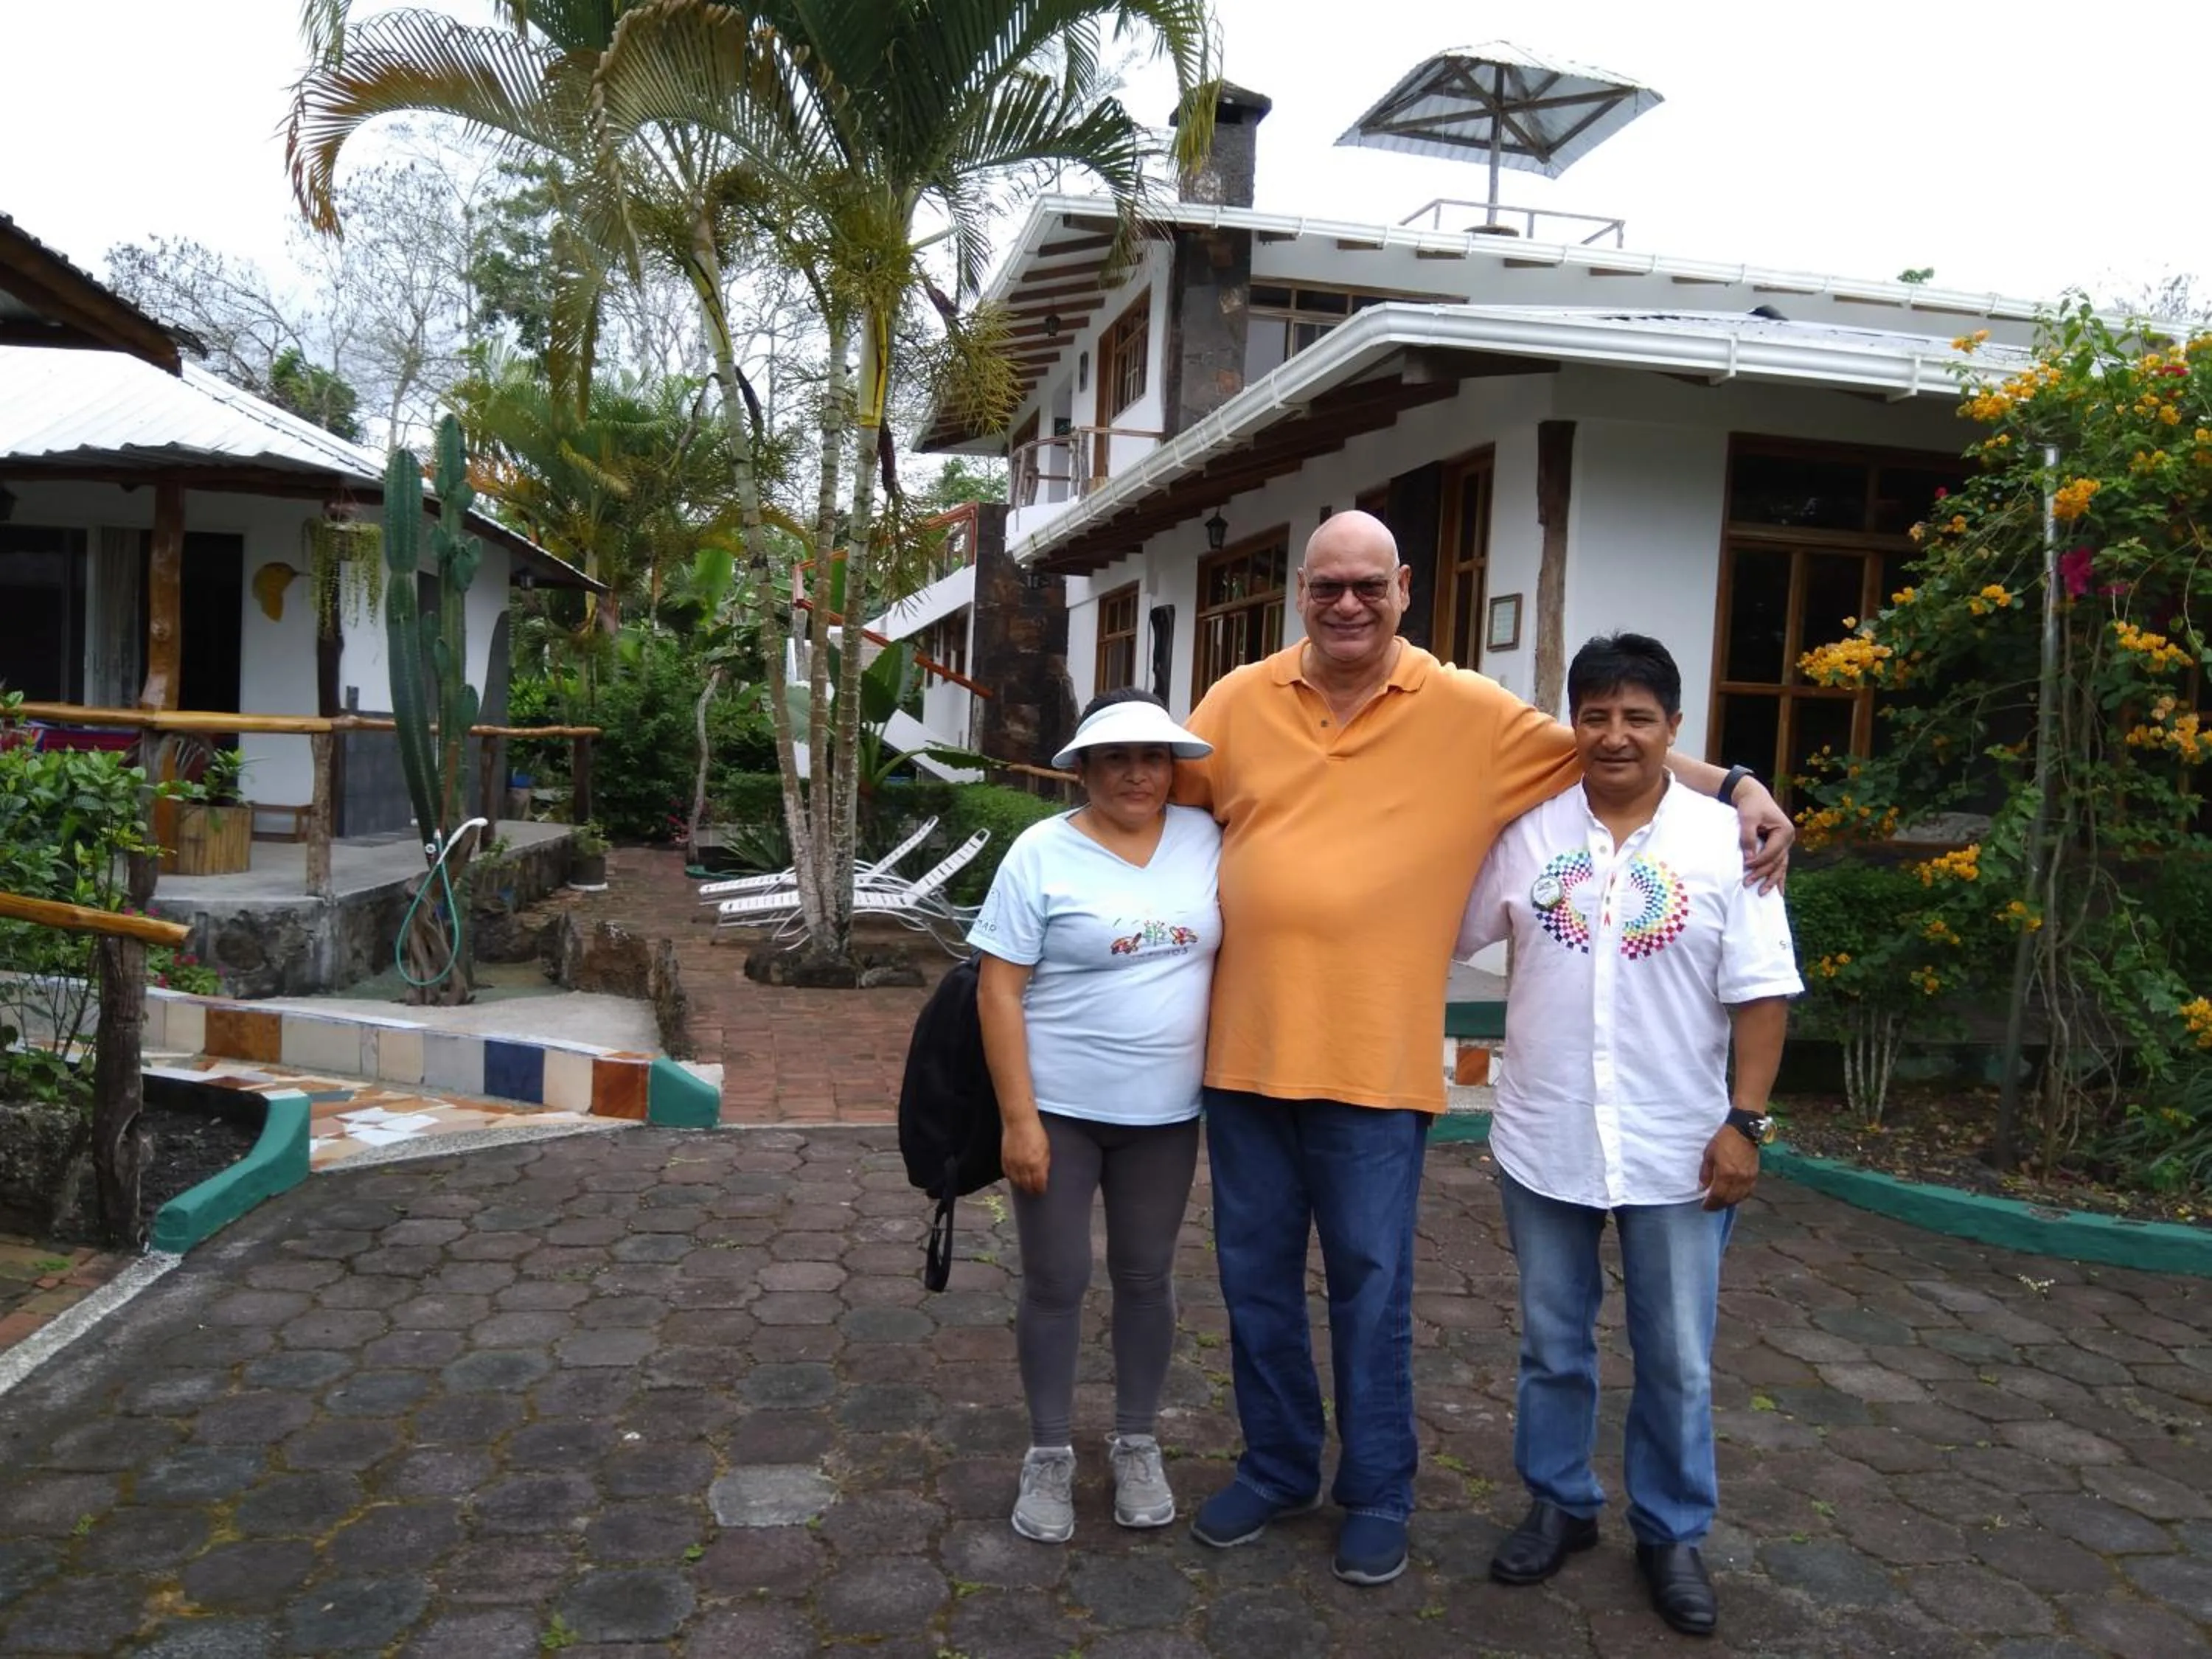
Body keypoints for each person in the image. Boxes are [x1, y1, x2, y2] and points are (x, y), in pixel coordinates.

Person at [1175, 511, 1792, 1588]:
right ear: (1301, 591)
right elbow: (1159, 798)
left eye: (1370, 584)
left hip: (1373, 1067)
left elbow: (1613, 746)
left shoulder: (1465, 709)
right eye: (1328, 587)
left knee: (1371, 1286)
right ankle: (1277, 1466)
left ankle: (1377, 1488)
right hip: (1244, 1057)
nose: (1349, 604)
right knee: (1255, 1284)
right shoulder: (1237, 700)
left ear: (1405, 587)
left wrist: (1738, 781)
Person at [1459, 631, 1800, 1637]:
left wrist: (1745, 1123)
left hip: (1678, 1145)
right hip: (1546, 1133)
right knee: (1554, 1343)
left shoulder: (1724, 844)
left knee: (1678, 1355)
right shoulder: (1526, 832)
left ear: (1673, 729)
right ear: (1574, 723)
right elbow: (1447, 927)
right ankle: (1560, 1502)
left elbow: (1764, 994)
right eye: (1596, 714)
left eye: (1637, 716)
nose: (1615, 735)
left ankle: (1672, 1529)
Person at [969, 686, 1222, 1545]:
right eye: (1115, 758)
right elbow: (998, 989)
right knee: (1058, 1277)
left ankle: (1137, 1439)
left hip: (1165, 1114)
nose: (1136, 774)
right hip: (1063, 1109)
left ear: (1173, 768)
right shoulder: (1040, 854)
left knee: (1148, 1277)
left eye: (1152, 757)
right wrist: (1019, 1120)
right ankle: (1047, 1452)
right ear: (1082, 771)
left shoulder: (1206, 840)